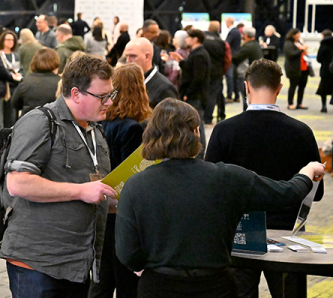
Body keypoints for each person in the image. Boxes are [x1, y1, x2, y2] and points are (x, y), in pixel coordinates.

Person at [115, 98, 325, 298]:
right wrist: (307, 171)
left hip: (159, 287)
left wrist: (148, 266)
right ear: (196, 133)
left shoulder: (135, 186)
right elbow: (286, 193)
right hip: (215, 286)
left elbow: (127, 252)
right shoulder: (228, 177)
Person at [0, 55, 116, 296]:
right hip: (39, 264)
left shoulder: (95, 130)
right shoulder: (40, 121)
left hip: (79, 262)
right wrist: (82, 191)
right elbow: (18, 182)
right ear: (75, 94)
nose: (109, 103)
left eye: (111, 95)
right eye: (102, 97)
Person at [205, 58, 324, 297]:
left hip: (239, 234)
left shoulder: (225, 130)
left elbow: (210, 187)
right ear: (280, 88)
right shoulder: (301, 132)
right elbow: (317, 193)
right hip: (288, 235)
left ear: (246, 87)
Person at [90, 63, 151, 298]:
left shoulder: (99, 124)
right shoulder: (132, 129)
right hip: (122, 215)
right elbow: (131, 178)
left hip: (100, 209)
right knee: (127, 283)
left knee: (101, 281)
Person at [169, 29, 210, 151]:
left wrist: (188, 93)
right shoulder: (196, 53)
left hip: (196, 95)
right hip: (195, 94)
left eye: (188, 37)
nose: (186, 40)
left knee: (197, 125)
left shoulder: (199, 55)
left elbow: (198, 78)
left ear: (195, 39)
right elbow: (191, 69)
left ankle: (200, 152)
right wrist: (181, 61)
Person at [123, 38, 178, 109]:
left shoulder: (165, 89)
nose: (128, 61)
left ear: (147, 56)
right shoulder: (127, 81)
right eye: (126, 56)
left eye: (133, 56)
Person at [11, 48, 60, 116]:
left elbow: (15, 104)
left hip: (28, 121)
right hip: (53, 122)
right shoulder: (60, 83)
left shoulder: (26, 82)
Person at [202, 21, 227, 125]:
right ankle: (208, 118)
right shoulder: (221, 42)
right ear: (218, 29)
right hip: (216, 72)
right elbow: (225, 58)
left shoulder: (202, 39)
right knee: (213, 95)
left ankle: (201, 116)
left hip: (203, 71)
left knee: (203, 93)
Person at [232, 27, 262, 110]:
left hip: (247, 76)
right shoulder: (256, 45)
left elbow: (235, 58)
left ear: (245, 35)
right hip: (256, 75)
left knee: (247, 99)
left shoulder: (248, 47)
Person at [0, 30, 22, 129]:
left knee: (12, 116)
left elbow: (21, 69)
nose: (10, 42)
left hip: (14, 87)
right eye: (8, 40)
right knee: (1, 116)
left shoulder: (15, 55)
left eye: (12, 40)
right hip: (2, 88)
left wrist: (20, 75)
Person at [283, 28, 310, 110]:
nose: (299, 35)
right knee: (293, 86)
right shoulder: (288, 43)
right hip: (294, 69)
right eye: (297, 34)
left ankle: (299, 103)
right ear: (293, 35)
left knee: (302, 86)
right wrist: (302, 50)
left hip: (304, 68)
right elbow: (291, 54)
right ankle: (290, 103)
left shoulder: (298, 42)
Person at [224, 17, 242, 102]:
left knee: (229, 77)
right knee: (234, 77)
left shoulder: (233, 32)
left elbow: (227, 43)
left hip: (230, 57)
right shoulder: (236, 31)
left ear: (228, 22)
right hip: (235, 56)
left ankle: (229, 96)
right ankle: (237, 96)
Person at [316, 29, 333, 112]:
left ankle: (324, 106)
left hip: (325, 70)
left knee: (324, 89)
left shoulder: (323, 45)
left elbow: (318, 58)